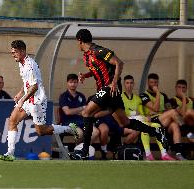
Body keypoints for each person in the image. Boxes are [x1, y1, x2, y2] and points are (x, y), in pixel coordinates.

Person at [69, 29, 167, 160]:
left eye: (77, 42)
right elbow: (98, 69)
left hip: (109, 88)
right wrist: (86, 75)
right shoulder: (87, 55)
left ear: (80, 40)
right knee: (124, 122)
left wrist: (114, 82)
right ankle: (156, 131)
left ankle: (84, 151)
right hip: (107, 91)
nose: (77, 44)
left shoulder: (99, 50)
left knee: (87, 113)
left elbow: (119, 63)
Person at [0, 40, 78, 161]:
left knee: (42, 131)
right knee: (12, 120)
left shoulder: (30, 65)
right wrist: (21, 92)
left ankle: (68, 129)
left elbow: (34, 87)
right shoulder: (21, 62)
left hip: (37, 102)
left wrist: (22, 99)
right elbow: (27, 82)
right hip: (28, 99)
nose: (13, 55)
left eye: (15, 52)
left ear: (23, 51)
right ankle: (10, 153)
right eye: (12, 52)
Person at [122, 75, 174, 160]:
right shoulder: (120, 97)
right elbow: (120, 113)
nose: (129, 85)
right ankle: (148, 154)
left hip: (138, 121)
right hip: (126, 122)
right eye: (127, 83)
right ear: (124, 84)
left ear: (134, 84)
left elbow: (141, 114)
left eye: (131, 83)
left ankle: (164, 154)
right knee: (144, 126)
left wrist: (147, 116)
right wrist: (133, 113)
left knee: (157, 126)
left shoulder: (137, 98)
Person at [140, 73, 186, 160]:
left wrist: (163, 111)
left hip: (162, 121)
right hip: (151, 121)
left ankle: (178, 153)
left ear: (158, 83)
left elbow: (168, 108)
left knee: (175, 125)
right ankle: (186, 129)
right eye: (151, 82)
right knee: (172, 112)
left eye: (155, 82)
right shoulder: (143, 95)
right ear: (148, 83)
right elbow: (155, 108)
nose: (153, 84)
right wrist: (157, 92)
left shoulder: (164, 95)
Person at [59, 73, 99, 144]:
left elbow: (84, 112)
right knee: (79, 134)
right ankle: (78, 150)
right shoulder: (63, 96)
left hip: (81, 121)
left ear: (77, 83)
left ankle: (81, 149)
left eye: (75, 82)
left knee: (95, 132)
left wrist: (75, 111)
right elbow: (67, 112)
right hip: (69, 123)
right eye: (71, 82)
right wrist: (81, 108)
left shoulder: (81, 96)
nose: (73, 84)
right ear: (67, 83)